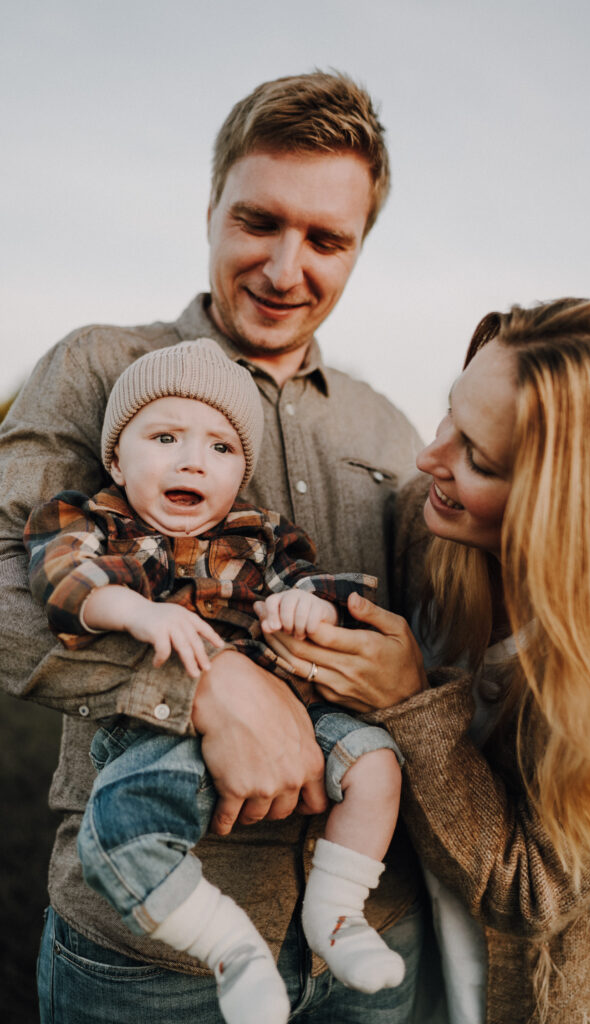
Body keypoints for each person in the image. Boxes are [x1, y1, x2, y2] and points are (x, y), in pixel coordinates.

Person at [0, 71, 428, 1023]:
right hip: (151, 960)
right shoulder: (97, 365)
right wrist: (205, 685)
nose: (285, 269)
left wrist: (407, 678)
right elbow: (6, 580)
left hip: (375, 931)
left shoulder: (391, 430)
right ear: (210, 209)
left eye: (325, 240)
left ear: (359, 248)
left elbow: (448, 638)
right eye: (259, 222)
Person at [272, 297, 590, 1022]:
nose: (430, 458)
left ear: (571, 506)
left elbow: (529, 893)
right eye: (449, 418)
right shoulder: (422, 530)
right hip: (402, 964)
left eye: (478, 457)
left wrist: (410, 702)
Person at [23, 337, 408, 1023]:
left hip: (295, 713)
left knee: (377, 763)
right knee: (123, 834)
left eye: (220, 449)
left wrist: (304, 601)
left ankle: (338, 915)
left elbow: (318, 585)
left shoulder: (260, 536)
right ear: (116, 456)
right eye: (164, 436)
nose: (192, 460)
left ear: (240, 473)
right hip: (162, 729)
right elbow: (62, 580)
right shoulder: (95, 521)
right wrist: (134, 609)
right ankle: (230, 948)